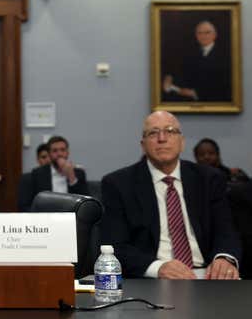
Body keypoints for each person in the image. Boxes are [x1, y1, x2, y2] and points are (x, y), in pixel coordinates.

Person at [100, 111, 241, 279]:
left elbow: (226, 231)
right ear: (143, 145)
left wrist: (224, 258)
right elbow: (115, 246)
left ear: (181, 142)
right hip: (154, 278)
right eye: (153, 133)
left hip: (208, 275)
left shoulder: (209, 179)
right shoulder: (118, 184)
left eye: (170, 131)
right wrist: (158, 268)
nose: (162, 138)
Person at [163, 21, 231, 102]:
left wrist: (195, 93)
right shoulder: (191, 52)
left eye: (207, 32)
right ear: (196, 36)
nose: (203, 36)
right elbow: (181, 70)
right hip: (190, 100)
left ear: (215, 35)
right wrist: (169, 77)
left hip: (215, 101)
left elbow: (224, 84)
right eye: (199, 33)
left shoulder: (225, 54)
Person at [17, 136, 88, 212]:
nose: (59, 154)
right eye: (55, 151)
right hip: (46, 218)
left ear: (67, 152)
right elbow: (25, 206)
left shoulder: (79, 173)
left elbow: (86, 203)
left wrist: (71, 177)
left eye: (62, 150)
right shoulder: (37, 174)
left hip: (71, 218)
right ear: (49, 154)